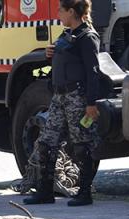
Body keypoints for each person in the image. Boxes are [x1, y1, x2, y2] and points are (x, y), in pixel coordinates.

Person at [20, 0, 102, 206]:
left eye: (61, 10)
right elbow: (62, 58)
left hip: (77, 97)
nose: (58, 14)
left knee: (82, 145)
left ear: (71, 12)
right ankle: (45, 192)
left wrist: (91, 103)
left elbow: (93, 73)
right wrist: (50, 54)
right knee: (47, 142)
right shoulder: (66, 35)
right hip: (59, 97)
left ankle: (84, 193)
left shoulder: (87, 37)